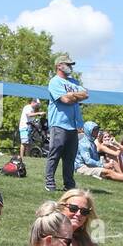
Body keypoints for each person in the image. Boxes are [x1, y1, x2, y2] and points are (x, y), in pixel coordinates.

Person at [44, 53, 89, 192]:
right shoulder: (55, 82)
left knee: (70, 157)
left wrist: (71, 95)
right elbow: (65, 101)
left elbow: (86, 94)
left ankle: (69, 185)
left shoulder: (74, 82)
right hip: (59, 124)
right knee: (55, 154)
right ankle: (50, 183)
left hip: (74, 125)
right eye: (68, 64)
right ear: (59, 66)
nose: (70, 67)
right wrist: (75, 96)